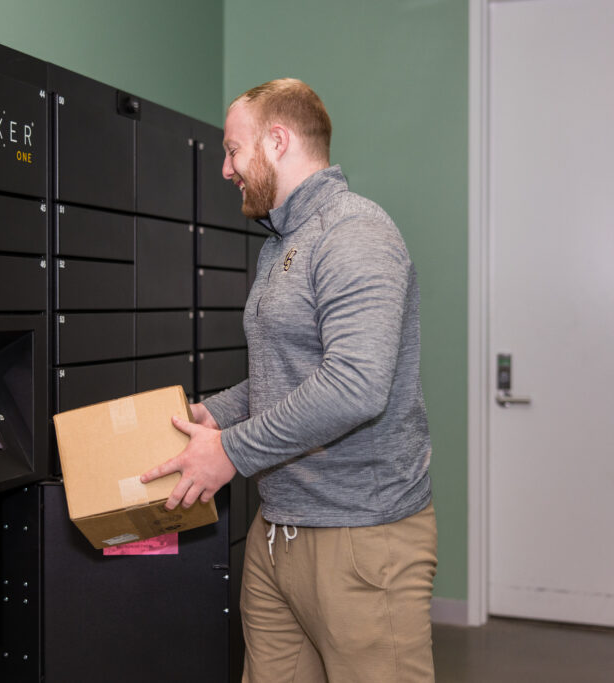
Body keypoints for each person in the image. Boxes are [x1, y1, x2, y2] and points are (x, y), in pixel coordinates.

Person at [140, 78, 436, 682]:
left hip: (360, 541)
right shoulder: (280, 242)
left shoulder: (355, 232)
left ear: (277, 141)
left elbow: (355, 385)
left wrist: (231, 451)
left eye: (232, 150)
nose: (225, 169)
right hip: (277, 534)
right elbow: (292, 373)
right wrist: (215, 415)